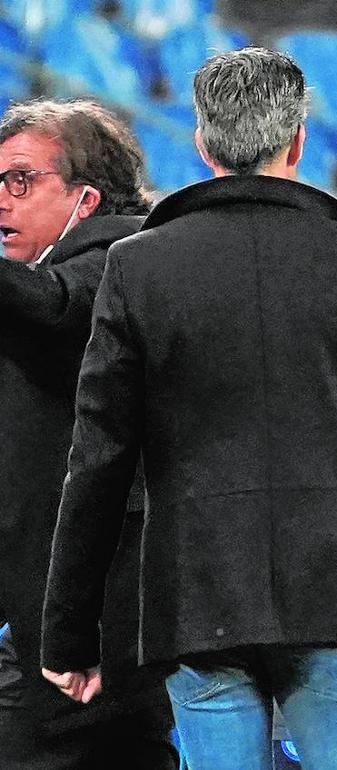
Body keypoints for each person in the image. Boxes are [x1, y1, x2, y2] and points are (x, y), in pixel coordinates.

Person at [37, 47, 337, 770]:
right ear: (297, 141)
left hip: (199, 607)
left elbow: (99, 462)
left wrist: (70, 635)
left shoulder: (137, 268)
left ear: (202, 145)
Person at [0, 99, 174, 769]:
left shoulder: (122, 262)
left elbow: (55, 309)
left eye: (21, 180)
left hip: (96, 612)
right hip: (74, 603)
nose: (3, 201)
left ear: (87, 196)